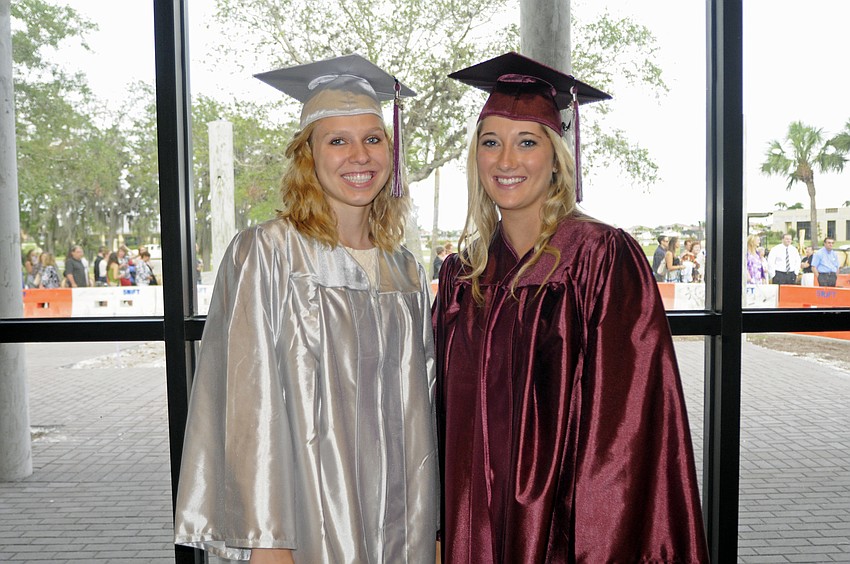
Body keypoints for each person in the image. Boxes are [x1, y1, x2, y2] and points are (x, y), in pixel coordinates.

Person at [433, 52, 708, 563]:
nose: (506, 161)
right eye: (490, 142)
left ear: (558, 156)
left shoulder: (601, 259)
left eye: (527, 142)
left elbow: (623, 435)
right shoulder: (461, 279)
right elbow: (442, 424)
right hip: (476, 532)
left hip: (565, 537)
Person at [174, 54, 438, 563]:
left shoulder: (405, 270)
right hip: (307, 519)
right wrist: (267, 541)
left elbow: (422, 411)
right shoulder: (267, 254)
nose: (359, 155)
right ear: (307, 156)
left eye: (373, 138)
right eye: (337, 140)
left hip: (402, 522)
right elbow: (247, 405)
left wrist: (434, 527)